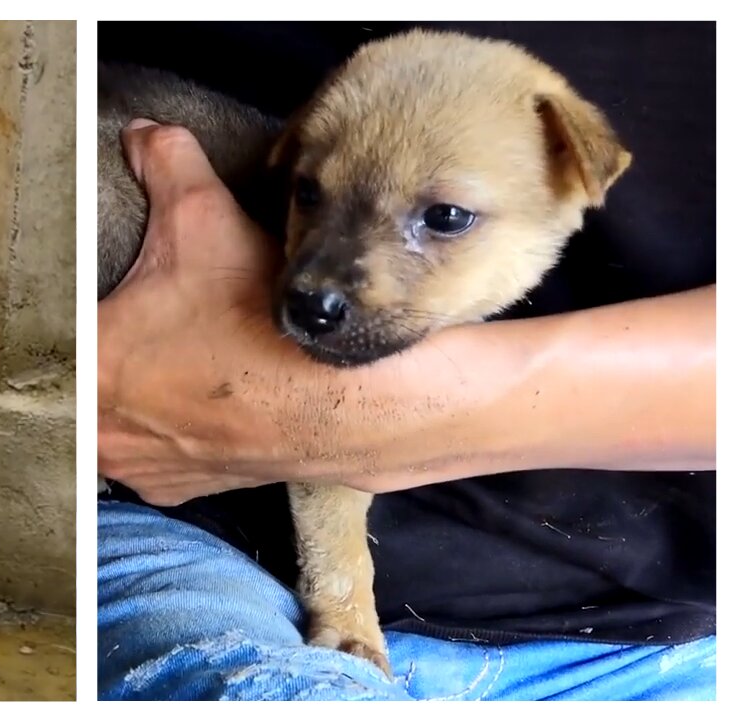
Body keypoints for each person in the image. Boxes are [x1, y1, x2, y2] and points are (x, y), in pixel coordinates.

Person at [96, 21, 715, 701]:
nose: (318, 289)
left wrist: (353, 415)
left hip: (652, 639)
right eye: (312, 194)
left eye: (443, 218)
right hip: (200, 548)